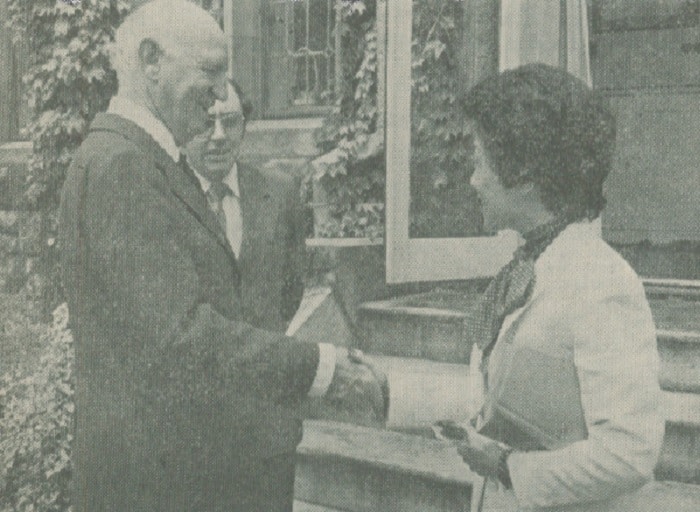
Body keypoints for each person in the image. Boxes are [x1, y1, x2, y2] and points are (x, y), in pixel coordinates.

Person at [58, 2, 387, 511]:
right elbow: (179, 339)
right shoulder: (124, 165)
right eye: (210, 72)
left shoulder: (138, 159)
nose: (218, 95)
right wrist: (322, 365)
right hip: (149, 485)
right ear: (151, 61)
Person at [447, 64, 664, 511]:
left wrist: (508, 466)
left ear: (524, 174)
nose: (473, 181)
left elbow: (629, 453)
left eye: (480, 161)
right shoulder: (530, 265)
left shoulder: (601, 283)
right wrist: (389, 394)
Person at [185, 80, 306, 333]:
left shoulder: (280, 192)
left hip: (266, 361)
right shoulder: (168, 195)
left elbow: (291, 291)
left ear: (243, 127)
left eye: (229, 122)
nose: (219, 136)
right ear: (184, 129)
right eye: (207, 123)